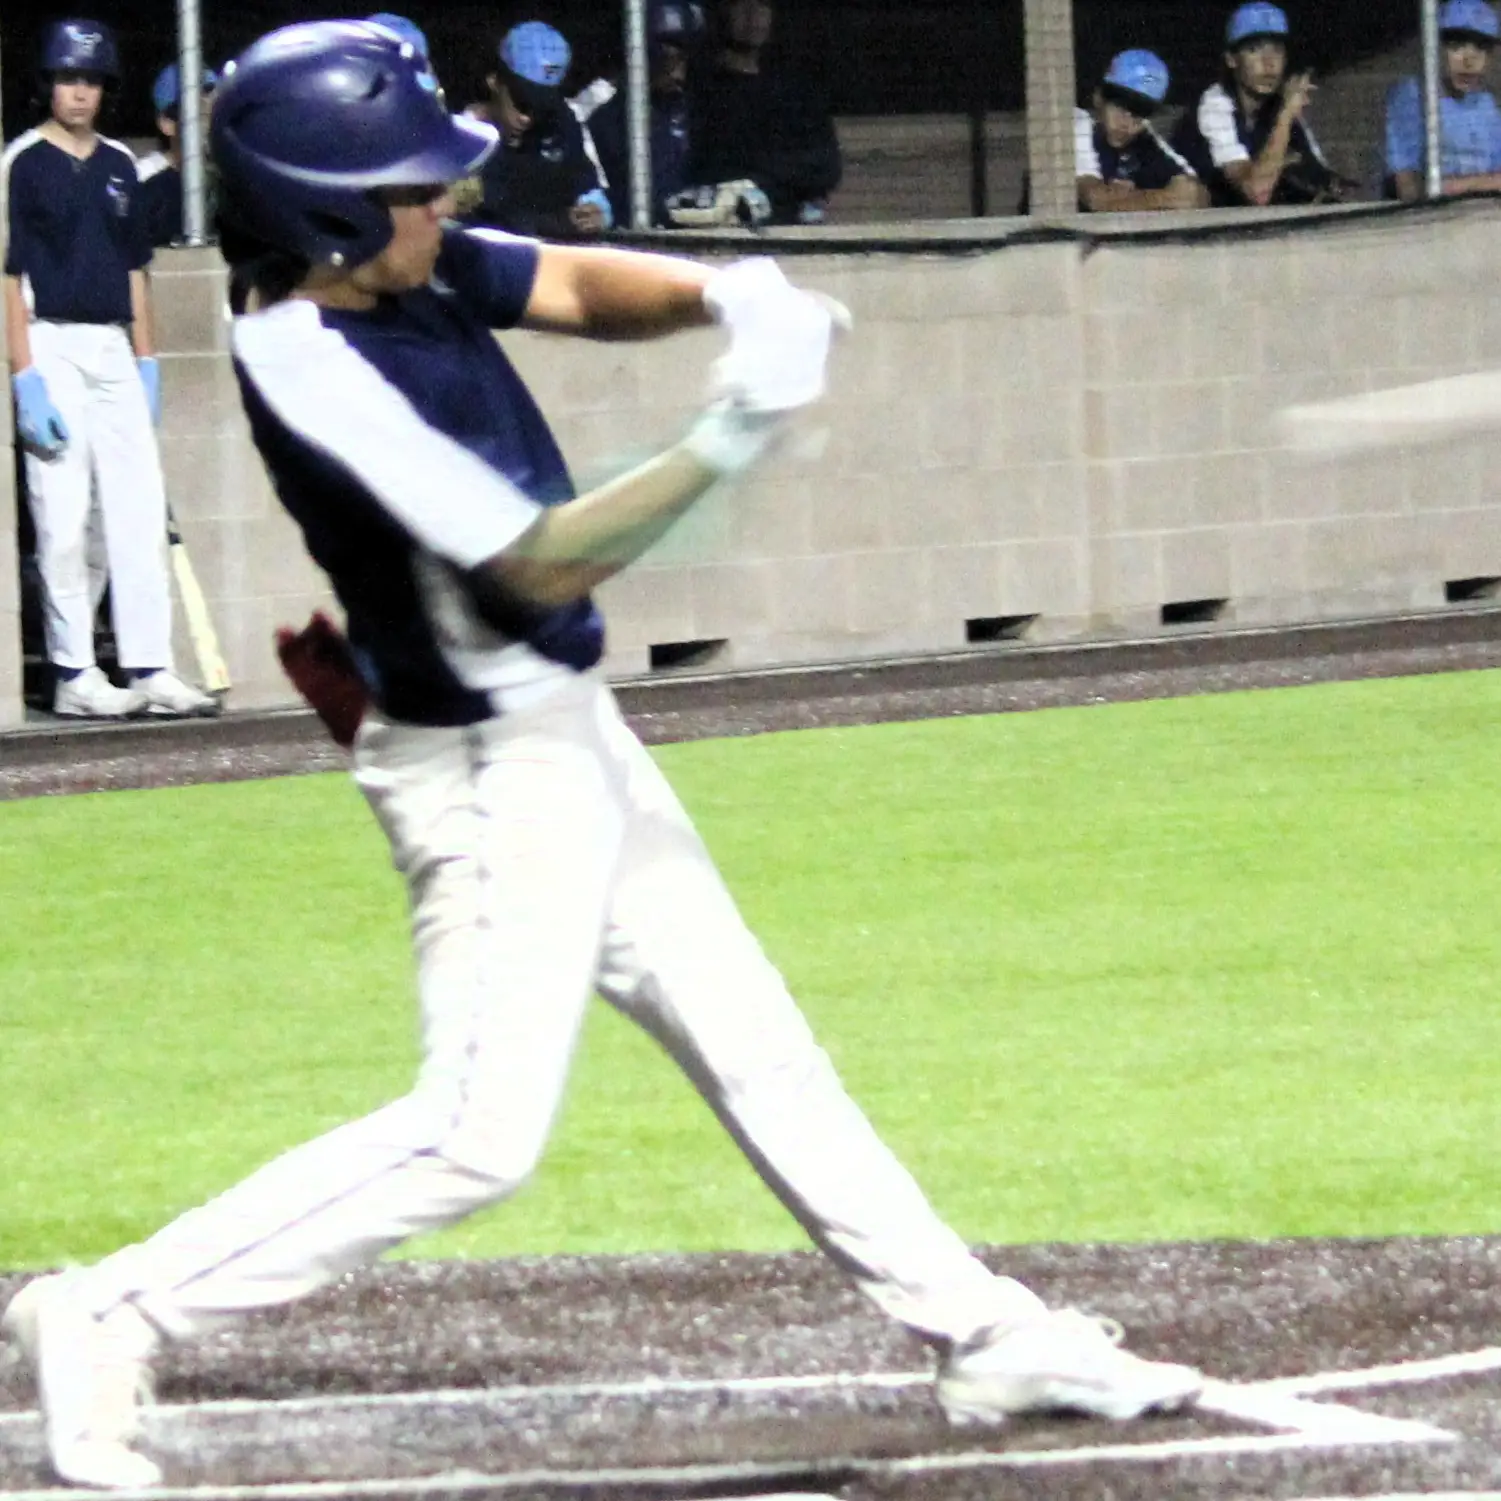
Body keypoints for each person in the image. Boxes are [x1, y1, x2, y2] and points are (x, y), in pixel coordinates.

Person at [1, 20, 1202, 1490]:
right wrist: (733, 428)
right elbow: (537, 562)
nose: (443, 202)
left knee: (755, 1040)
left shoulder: (400, 260)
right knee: (477, 1133)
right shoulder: (310, 361)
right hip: (487, 768)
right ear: (323, 213)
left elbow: (568, 282)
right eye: (411, 187)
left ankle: (983, 1333)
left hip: (564, 734)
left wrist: (723, 291)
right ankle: (113, 1308)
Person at [3, 18, 218, 719]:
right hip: (51, 342)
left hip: (114, 349)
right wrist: (24, 373)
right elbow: (7, 276)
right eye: (68, 77)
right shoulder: (21, 161)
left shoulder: (121, 163)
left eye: (91, 80)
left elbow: (135, 271)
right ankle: (74, 671)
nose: (80, 92)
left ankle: (150, 665)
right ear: (48, 84)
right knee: (62, 516)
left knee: (136, 512)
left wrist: (146, 360)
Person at [680, 0, 841, 226]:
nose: (753, 15)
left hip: (791, 225)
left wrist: (766, 176)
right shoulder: (703, 90)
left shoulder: (796, 90)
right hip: (726, 223)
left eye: (762, 5)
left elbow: (827, 167)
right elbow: (709, 167)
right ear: (723, 12)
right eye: (741, 4)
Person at [1171, 2, 1345, 207]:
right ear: (1232, 59)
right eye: (1254, 50)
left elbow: (1330, 185)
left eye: (1277, 51)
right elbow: (1256, 191)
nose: (1269, 63)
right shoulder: (1215, 105)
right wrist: (1286, 118)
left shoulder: (1280, 106)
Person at [458, 20, 613, 238]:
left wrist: (597, 211)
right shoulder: (462, 138)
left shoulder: (561, 123)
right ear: (494, 81)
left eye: (541, 106)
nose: (527, 118)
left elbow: (587, 186)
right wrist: (552, 223)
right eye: (521, 102)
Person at [582, 1, 706, 227]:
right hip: (625, 236)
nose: (679, 70)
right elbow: (593, 197)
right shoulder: (596, 108)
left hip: (686, 234)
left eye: (684, 55)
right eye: (669, 53)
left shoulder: (687, 109)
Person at [1385, 0, 1501, 199]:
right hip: (1431, 216)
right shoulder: (1412, 95)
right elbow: (1409, 189)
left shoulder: (1485, 105)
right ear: (1435, 46)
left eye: (1481, 48)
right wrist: (1480, 184)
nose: (1469, 60)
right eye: (1456, 46)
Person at [1075, 50, 1207, 212]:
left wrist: (1130, 199)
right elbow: (1095, 200)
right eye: (1121, 105)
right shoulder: (1077, 125)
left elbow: (1197, 194)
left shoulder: (1146, 138)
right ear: (1098, 98)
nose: (1127, 121)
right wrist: (1165, 197)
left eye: (1140, 110)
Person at [136, 62, 219, 249]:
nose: (210, 124)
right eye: (200, 113)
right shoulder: (143, 183)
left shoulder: (236, 182)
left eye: (216, 110)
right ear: (167, 123)